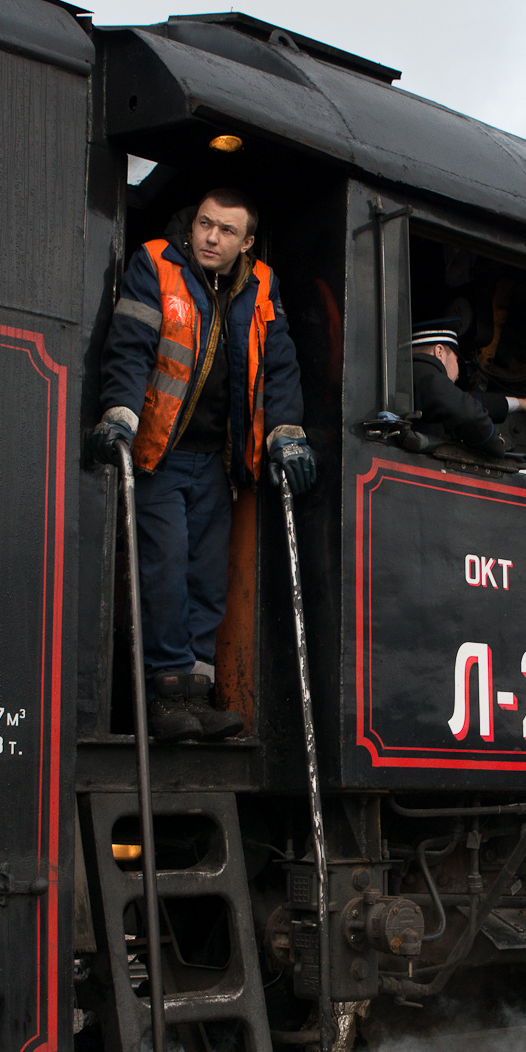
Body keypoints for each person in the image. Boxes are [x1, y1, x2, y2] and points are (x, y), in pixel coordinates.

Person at [88, 190, 316, 742]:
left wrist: (287, 434)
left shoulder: (262, 286)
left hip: (217, 463)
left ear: (247, 242)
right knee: (164, 571)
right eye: (205, 224)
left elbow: (279, 365)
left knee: (207, 580)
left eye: (226, 231)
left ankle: (199, 693)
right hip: (158, 454)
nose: (212, 238)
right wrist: (119, 409)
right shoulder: (156, 265)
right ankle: (165, 697)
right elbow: (130, 346)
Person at [409, 307, 526, 453]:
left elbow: (469, 401)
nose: (458, 374)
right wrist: (497, 449)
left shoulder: (416, 379)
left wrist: (521, 404)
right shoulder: (426, 374)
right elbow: (471, 416)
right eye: (457, 361)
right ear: (439, 352)